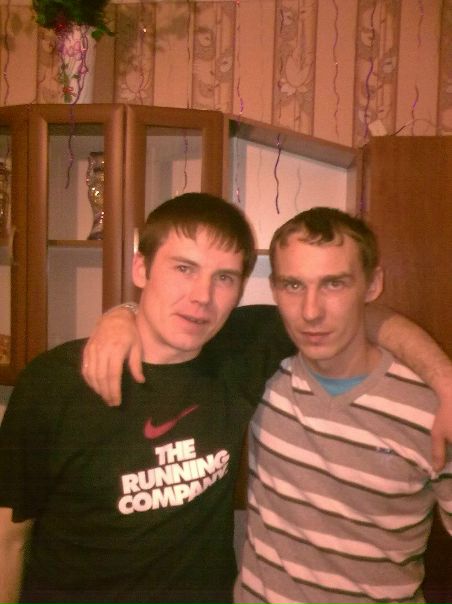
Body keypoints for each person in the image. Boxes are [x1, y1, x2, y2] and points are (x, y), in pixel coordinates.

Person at [0, 193, 271, 604]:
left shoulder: (242, 352)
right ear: (140, 267)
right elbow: (8, 538)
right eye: (184, 268)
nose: (203, 295)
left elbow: (348, 315)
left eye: (225, 278)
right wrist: (122, 312)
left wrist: (123, 311)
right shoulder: (55, 383)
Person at [234, 207, 451, 604]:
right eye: (293, 285)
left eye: (334, 284)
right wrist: (123, 316)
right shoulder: (259, 373)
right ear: (274, 289)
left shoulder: (434, 410)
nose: (311, 311)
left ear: (373, 285)